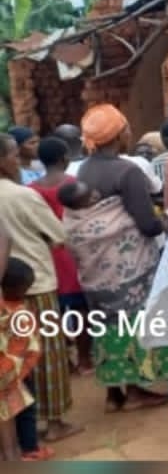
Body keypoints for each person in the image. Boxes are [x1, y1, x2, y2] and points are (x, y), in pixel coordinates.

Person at [64, 105, 168, 413]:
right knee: (129, 323)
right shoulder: (127, 171)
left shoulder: (84, 169)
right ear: (120, 134)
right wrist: (165, 222)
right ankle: (136, 390)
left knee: (105, 324)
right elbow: (146, 224)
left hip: (93, 268)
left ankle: (114, 394)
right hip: (125, 269)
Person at [0, 134, 83, 442]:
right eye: (12, 155)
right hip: (37, 284)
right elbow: (58, 235)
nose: (17, 160)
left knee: (10, 358)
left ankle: (23, 427)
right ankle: (54, 422)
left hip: (5, 290)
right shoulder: (22, 196)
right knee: (47, 354)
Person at [27, 138, 92, 374]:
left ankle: (65, 360)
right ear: (64, 158)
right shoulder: (74, 183)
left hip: (47, 254)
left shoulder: (32, 190)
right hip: (72, 252)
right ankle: (85, 358)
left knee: (54, 311)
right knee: (80, 309)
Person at [1, 258, 48, 461]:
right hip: (17, 374)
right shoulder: (21, 314)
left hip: (7, 371)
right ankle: (30, 449)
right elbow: (29, 345)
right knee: (26, 410)